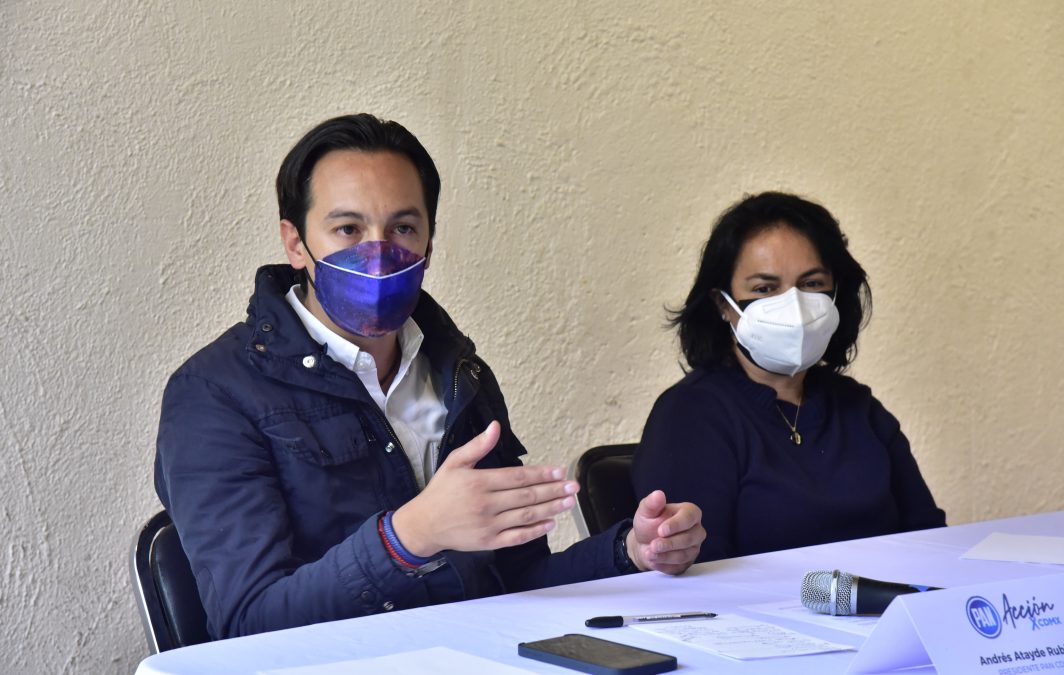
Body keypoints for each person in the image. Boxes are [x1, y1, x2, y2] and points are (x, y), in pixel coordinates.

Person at [155, 113, 705, 640]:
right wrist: (409, 537)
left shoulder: (457, 370)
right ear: (296, 242)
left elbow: (515, 584)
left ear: (428, 244)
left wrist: (629, 552)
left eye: (403, 228)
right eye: (347, 228)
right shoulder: (213, 393)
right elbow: (249, 625)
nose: (378, 251)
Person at [632, 191, 944, 564]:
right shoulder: (690, 415)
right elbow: (692, 571)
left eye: (812, 284)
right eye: (764, 289)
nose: (794, 304)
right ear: (722, 305)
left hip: (888, 614)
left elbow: (930, 541)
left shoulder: (858, 407)